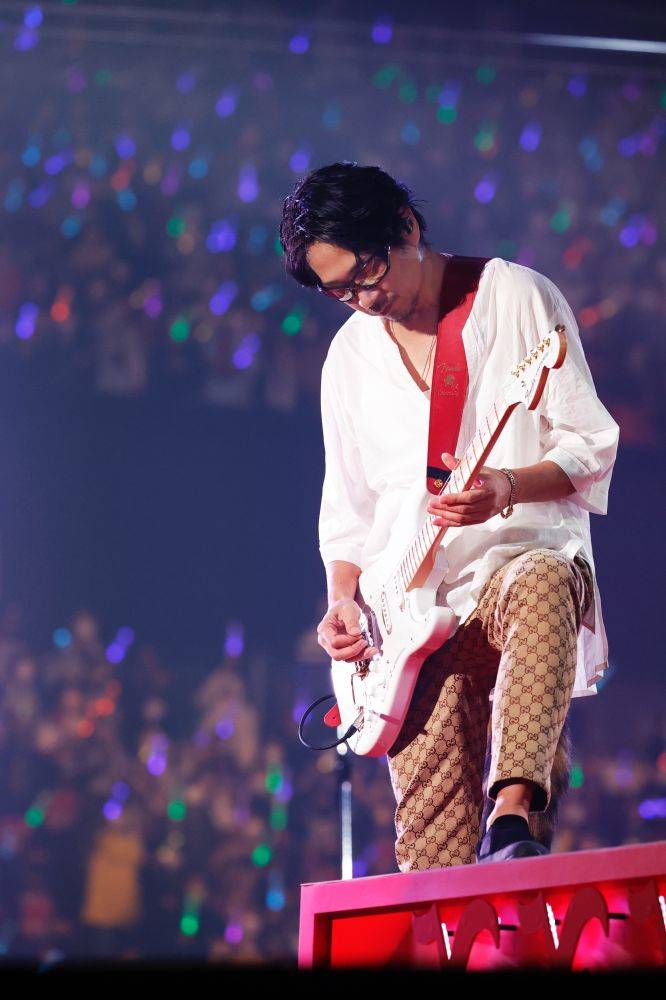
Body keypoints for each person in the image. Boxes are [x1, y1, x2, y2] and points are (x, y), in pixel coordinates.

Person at [279, 161, 619, 870]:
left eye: (368, 273)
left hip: (518, 562)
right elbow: (347, 509)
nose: (364, 299)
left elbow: (590, 443)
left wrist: (509, 486)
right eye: (341, 292)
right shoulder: (347, 358)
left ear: (406, 226)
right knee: (432, 857)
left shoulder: (513, 297)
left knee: (541, 580)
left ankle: (513, 811)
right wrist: (342, 599)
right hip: (408, 617)